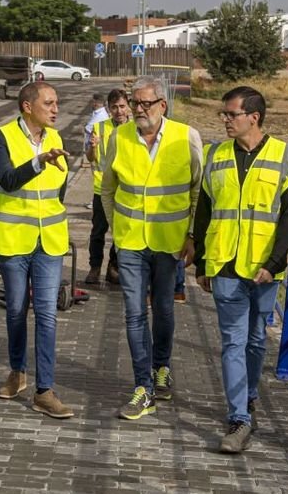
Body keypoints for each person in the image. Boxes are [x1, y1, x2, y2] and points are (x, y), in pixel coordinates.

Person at [191, 86, 288, 454]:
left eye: (231, 114)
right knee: (233, 341)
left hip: (263, 268)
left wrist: (275, 264)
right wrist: (202, 261)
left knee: (257, 338)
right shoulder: (215, 155)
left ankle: (249, 394)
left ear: (253, 117)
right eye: (224, 114)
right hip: (225, 263)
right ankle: (239, 418)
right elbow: (205, 209)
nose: (225, 120)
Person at [100, 76, 202, 421]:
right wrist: (118, 229)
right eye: (134, 102)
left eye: (145, 103)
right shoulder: (118, 136)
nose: (138, 109)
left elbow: (197, 191)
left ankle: (162, 367)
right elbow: (107, 190)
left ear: (163, 105)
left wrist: (191, 237)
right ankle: (143, 387)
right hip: (130, 242)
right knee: (133, 313)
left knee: (164, 309)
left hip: (170, 243)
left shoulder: (186, 136)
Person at [0, 81, 74, 420]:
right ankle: (18, 372)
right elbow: (6, 179)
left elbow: (58, 187)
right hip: (12, 240)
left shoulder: (56, 138)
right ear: (27, 106)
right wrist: (39, 162)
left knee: (47, 314)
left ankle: (44, 391)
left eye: (57, 103)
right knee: (17, 310)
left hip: (48, 240)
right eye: (49, 103)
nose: (55, 109)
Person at [83, 88, 129, 285]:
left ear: (128, 107)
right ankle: (94, 267)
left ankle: (113, 267)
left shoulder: (136, 129)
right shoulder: (100, 128)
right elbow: (90, 158)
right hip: (102, 189)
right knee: (98, 230)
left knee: (120, 232)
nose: (118, 111)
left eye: (122, 106)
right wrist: (92, 147)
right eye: (114, 107)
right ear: (108, 109)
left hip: (125, 190)